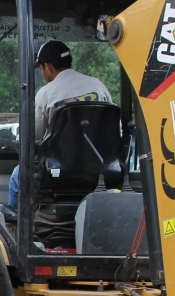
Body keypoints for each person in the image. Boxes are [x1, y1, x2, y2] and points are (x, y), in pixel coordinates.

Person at [7, 40, 112, 210]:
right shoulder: (99, 86)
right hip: (100, 170)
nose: (42, 74)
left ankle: (16, 227)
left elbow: (34, 136)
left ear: (47, 66)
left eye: (41, 69)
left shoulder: (47, 92)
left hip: (58, 171)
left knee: (17, 176)